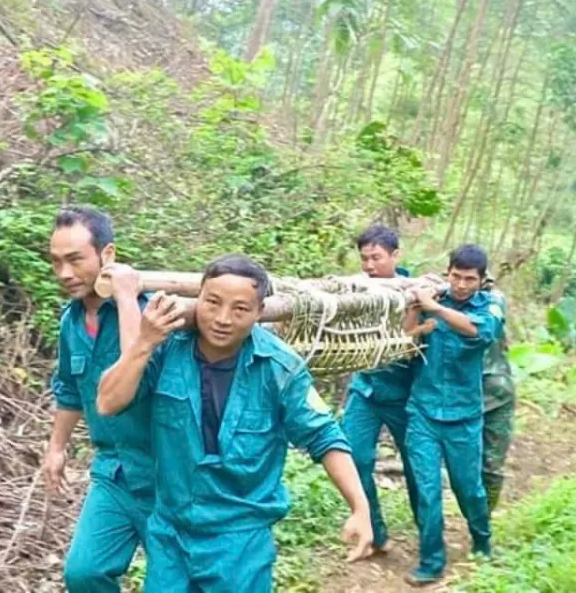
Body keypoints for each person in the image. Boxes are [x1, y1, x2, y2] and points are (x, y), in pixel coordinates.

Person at [96, 255, 373, 591]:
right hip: (171, 533)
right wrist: (142, 343)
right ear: (198, 300)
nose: (223, 319)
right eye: (212, 303)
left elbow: (324, 436)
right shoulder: (165, 349)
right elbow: (109, 402)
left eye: (240, 309)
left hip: (240, 540)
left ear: (259, 313)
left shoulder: (279, 368)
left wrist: (360, 507)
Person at [44, 207, 151, 593]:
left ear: (107, 255)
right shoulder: (70, 321)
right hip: (113, 469)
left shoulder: (147, 310)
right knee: (84, 573)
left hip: (166, 471)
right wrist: (57, 447)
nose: (65, 274)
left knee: (175, 581)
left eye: (75, 260)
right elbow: (70, 388)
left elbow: (139, 366)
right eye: (56, 262)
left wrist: (125, 298)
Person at [403, 244, 499, 586]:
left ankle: (482, 539)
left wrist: (435, 310)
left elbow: (479, 332)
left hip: (464, 415)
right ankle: (431, 560)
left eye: (469, 279)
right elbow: (405, 337)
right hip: (423, 412)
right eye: (455, 276)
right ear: (448, 273)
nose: (460, 284)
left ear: (481, 280)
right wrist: (418, 308)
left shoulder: (489, 306)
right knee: (427, 490)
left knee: (468, 487)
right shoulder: (435, 299)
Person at [340, 225, 422, 555]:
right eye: (364, 259)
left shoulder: (418, 290)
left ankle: (428, 534)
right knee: (354, 458)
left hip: (405, 394)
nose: (370, 265)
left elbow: (409, 340)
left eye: (376, 258)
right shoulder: (359, 289)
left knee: (417, 466)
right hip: (366, 389)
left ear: (395, 255)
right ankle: (374, 532)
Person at [480, 277, 515, 512]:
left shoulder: (494, 302)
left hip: (496, 395)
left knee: (492, 465)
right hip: (458, 398)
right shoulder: (446, 303)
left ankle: (484, 520)